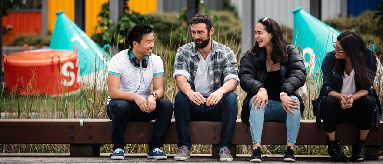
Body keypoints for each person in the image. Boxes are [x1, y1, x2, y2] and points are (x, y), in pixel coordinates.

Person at [173, 13, 239, 162]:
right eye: (193, 32)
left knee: (231, 97)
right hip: (193, 104)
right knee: (180, 97)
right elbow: (180, 76)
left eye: (200, 32)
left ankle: (224, 147)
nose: (196, 36)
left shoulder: (225, 52)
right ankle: (184, 146)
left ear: (211, 31)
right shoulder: (184, 51)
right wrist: (190, 92)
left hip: (215, 105)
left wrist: (219, 92)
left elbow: (233, 79)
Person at [239, 17, 306, 163]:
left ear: (271, 34)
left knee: (294, 100)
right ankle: (256, 149)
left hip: (284, 105)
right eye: (255, 33)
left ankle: (290, 149)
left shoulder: (290, 51)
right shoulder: (251, 55)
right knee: (257, 100)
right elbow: (245, 77)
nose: (256, 36)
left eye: (259, 33)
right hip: (262, 109)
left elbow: (299, 73)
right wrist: (259, 88)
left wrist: (285, 92)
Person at [312, 30, 382, 162]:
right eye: (335, 46)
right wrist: (342, 97)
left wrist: (351, 98)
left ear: (351, 51)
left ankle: (360, 144)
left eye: (339, 49)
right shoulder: (330, 58)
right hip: (336, 109)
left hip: (358, 107)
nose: (335, 50)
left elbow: (367, 88)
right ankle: (332, 145)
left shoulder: (368, 58)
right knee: (328, 101)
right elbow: (327, 87)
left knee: (368, 102)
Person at [106, 24, 173, 160]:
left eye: (153, 41)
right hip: (121, 106)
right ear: (135, 43)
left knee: (166, 105)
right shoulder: (117, 60)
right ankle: (118, 148)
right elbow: (113, 92)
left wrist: (153, 97)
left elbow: (160, 90)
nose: (152, 45)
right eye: (148, 42)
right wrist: (135, 97)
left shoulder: (156, 60)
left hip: (146, 106)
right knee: (120, 105)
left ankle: (155, 147)